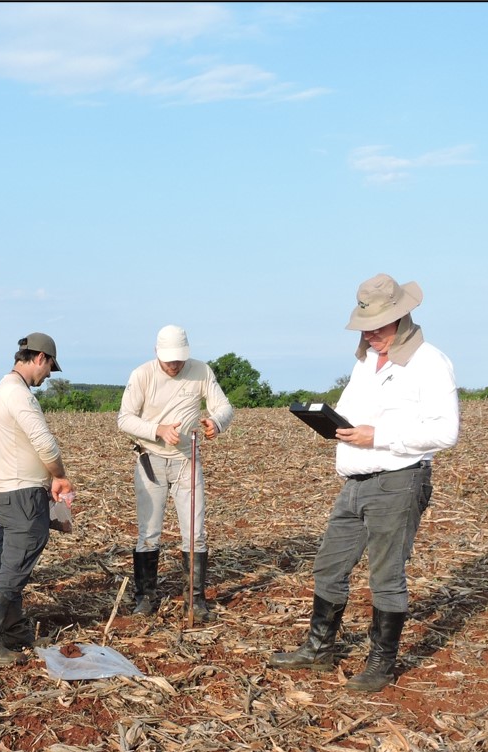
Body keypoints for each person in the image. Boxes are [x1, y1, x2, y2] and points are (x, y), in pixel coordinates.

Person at [269, 274, 459, 692]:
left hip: (399, 481)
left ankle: (381, 664)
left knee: (386, 576)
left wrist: (380, 436)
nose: (371, 334)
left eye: (379, 326)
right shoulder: (365, 363)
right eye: (365, 327)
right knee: (328, 566)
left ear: (402, 318)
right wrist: (336, 425)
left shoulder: (430, 362)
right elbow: (360, 416)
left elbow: (446, 432)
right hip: (355, 482)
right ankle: (319, 649)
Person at [117, 325, 234, 619]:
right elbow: (124, 419)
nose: (174, 365)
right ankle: (145, 597)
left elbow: (224, 406)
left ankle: (195, 599)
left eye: (179, 359)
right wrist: (157, 430)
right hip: (150, 459)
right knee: (149, 533)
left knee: (195, 533)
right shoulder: (141, 375)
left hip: (187, 459)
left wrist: (216, 422)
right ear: (157, 352)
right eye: (169, 359)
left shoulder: (201, 371)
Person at [0, 333, 73, 666]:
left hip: (6, 490)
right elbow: (45, 444)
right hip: (23, 493)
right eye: (49, 369)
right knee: (14, 567)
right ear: (40, 358)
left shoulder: (1, 390)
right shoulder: (19, 396)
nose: (47, 376)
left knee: (8, 562)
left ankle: (14, 630)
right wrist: (59, 476)